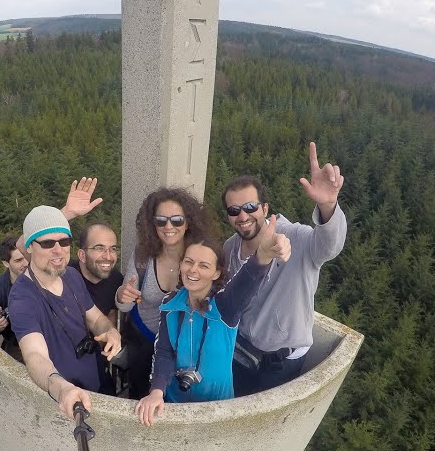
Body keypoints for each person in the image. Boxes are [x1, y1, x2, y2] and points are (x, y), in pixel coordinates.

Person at [133, 219, 291, 426]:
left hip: (216, 411)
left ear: (216, 273)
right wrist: (156, 392)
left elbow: (245, 283)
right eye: (188, 262)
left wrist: (262, 255)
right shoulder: (170, 305)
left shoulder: (225, 306)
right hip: (174, 406)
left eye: (204, 266)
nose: (193, 270)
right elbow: (164, 352)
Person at [222, 141, 347, 395]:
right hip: (242, 351)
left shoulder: (296, 238)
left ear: (265, 208)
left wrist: (327, 206)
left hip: (282, 362)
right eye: (234, 210)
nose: (243, 216)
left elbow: (328, 247)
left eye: (250, 207)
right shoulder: (230, 248)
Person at [8, 205, 122, 419]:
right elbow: (34, 355)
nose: (58, 250)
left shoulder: (71, 275)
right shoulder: (22, 299)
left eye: (64, 241)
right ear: (29, 246)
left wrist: (110, 331)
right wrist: (61, 389)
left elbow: (95, 318)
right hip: (68, 401)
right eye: (47, 243)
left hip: (98, 377)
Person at [0, 177, 103, 361]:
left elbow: (36, 240)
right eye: (17, 260)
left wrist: (63, 215)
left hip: (64, 344)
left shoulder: (56, 272)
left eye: (65, 242)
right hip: (21, 348)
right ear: (5, 263)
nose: (24, 263)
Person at [115, 187, 214, 400]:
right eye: (161, 221)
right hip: (144, 339)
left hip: (183, 343)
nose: (169, 227)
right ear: (152, 224)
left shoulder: (200, 257)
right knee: (141, 397)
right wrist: (122, 295)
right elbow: (125, 305)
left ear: (188, 223)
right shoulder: (143, 256)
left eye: (177, 220)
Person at [67, 222, 125, 394]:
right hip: (63, 357)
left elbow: (109, 315)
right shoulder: (65, 274)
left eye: (113, 249)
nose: (108, 256)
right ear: (82, 255)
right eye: (99, 248)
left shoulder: (116, 280)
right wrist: (67, 213)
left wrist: (110, 337)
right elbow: (25, 248)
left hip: (94, 356)